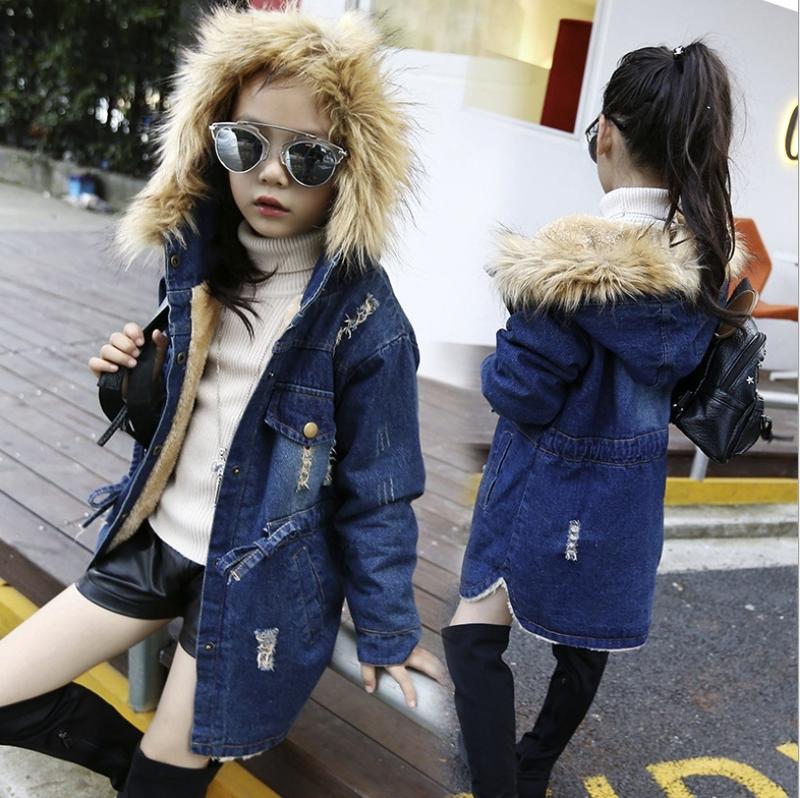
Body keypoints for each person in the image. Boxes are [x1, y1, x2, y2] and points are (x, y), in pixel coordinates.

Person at [0, 5, 442, 796]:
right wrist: (128, 381)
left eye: (308, 156)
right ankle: (127, 765)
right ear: (213, 141)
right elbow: (185, 421)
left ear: (351, 169)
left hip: (256, 580)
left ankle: (150, 775)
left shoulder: (368, 324)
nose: (272, 174)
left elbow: (379, 492)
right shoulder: (196, 259)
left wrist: (387, 629)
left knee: (167, 775)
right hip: (156, 542)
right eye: (247, 143)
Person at [441, 41, 749, 798]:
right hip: (628, 495)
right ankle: (534, 763)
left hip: (540, 488)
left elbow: (522, 393)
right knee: (586, 640)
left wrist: (504, 344)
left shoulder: (567, 269)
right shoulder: (704, 267)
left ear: (606, 132)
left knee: (472, 634)